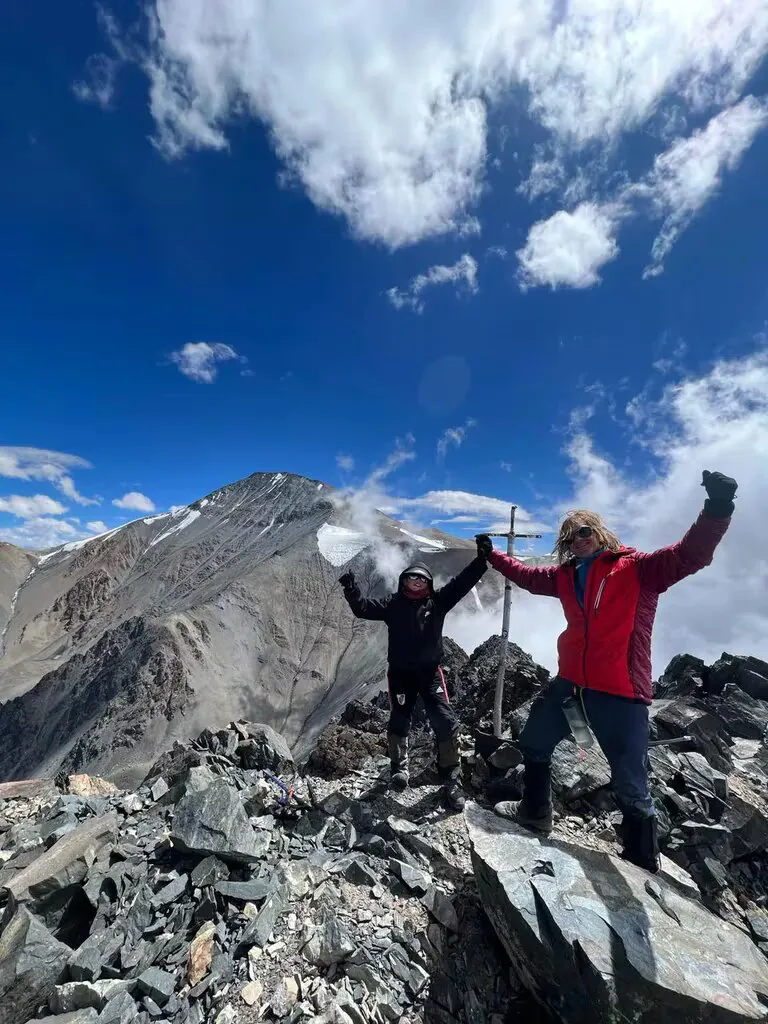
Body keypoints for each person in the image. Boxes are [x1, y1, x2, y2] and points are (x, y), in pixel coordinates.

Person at [476, 469, 737, 872]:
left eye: (582, 532)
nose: (577, 541)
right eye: (568, 538)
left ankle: (641, 862)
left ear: (599, 532)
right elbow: (526, 577)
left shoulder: (638, 568)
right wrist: (493, 555)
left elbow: (691, 554)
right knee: (535, 740)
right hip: (572, 686)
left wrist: (717, 508)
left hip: (619, 692)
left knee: (630, 778)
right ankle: (534, 813)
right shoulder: (564, 576)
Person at [339, 554, 487, 810]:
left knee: (445, 719)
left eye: (421, 578)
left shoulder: (438, 602)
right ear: (403, 581)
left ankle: (451, 774)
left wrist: (481, 561)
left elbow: (462, 583)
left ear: (428, 582)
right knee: (400, 718)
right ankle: (399, 768)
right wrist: (351, 589)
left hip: (430, 675)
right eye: (411, 577)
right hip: (400, 674)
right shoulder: (392, 604)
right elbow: (362, 608)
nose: (416, 581)